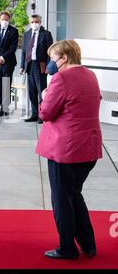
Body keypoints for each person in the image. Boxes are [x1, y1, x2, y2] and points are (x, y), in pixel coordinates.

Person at [36, 40, 102, 260]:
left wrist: (45, 96)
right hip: (88, 146)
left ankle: (67, 248)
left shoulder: (61, 78)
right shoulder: (90, 75)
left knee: (61, 199)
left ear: (64, 57)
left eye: (53, 59)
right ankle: (88, 244)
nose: (51, 64)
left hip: (65, 149)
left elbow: (46, 113)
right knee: (74, 194)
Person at [20, 14, 53, 124]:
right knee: (32, 92)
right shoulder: (27, 34)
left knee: (41, 92)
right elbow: (24, 51)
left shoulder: (46, 34)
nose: (34, 24)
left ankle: (41, 115)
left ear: (40, 22)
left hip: (40, 65)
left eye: (36, 21)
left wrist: (49, 66)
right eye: (32, 22)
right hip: (29, 65)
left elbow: (50, 52)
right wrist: (22, 66)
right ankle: (34, 114)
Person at [0, 11, 18, 116]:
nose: (4, 21)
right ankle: (1, 107)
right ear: (0, 20)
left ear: (9, 20)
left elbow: (13, 47)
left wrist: (3, 57)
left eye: (6, 19)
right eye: (2, 19)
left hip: (8, 62)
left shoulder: (14, 31)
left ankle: (6, 107)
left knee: (6, 85)